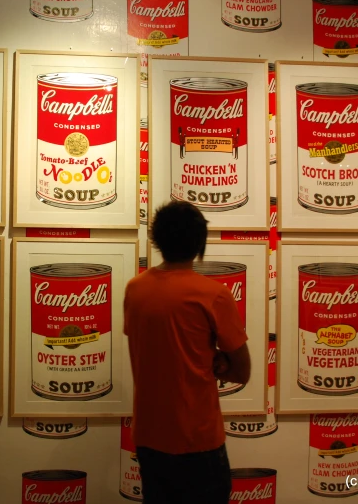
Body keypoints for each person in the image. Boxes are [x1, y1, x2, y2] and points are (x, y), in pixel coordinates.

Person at [123, 200, 251, 504]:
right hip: (197, 438)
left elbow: (155, 348)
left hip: (149, 436)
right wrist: (219, 363)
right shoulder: (214, 295)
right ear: (199, 243)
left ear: (157, 239)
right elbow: (242, 372)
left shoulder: (135, 289)